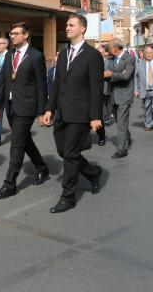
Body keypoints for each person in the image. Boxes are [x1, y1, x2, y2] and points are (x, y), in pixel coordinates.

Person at [42, 14, 103, 213]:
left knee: (69, 154)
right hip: (61, 113)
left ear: (82, 28)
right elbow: (56, 85)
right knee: (65, 152)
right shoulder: (63, 53)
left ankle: (68, 197)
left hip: (80, 113)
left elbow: (96, 88)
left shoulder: (92, 55)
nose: (66, 28)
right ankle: (92, 172)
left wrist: (95, 116)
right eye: (66, 25)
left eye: (71, 24)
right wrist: (49, 109)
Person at [0, 22, 50, 199]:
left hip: (27, 107)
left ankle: (9, 184)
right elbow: (3, 83)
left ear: (26, 35)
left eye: (16, 33)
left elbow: (42, 85)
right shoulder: (8, 55)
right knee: (25, 140)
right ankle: (41, 167)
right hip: (10, 106)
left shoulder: (36, 56)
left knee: (16, 143)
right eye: (11, 34)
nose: (12, 36)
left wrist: (42, 111)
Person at [104, 39, 135, 159]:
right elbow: (107, 74)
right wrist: (114, 75)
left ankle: (122, 150)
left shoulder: (129, 58)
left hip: (124, 96)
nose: (109, 50)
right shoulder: (110, 60)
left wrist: (111, 74)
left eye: (110, 48)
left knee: (121, 123)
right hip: (113, 95)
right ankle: (126, 138)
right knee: (119, 122)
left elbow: (126, 76)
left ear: (115, 48)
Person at [96, 45, 112, 146]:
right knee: (98, 109)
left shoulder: (108, 62)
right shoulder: (93, 61)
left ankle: (106, 119)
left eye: (101, 52)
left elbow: (109, 73)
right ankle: (102, 121)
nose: (100, 54)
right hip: (94, 90)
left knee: (106, 105)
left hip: (105, 87)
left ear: (104, 53)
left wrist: (98, 74)